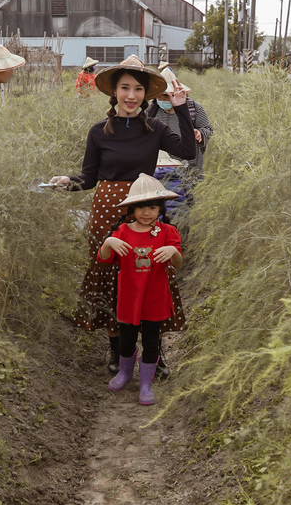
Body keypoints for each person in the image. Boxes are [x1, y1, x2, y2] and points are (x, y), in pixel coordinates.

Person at [49, 55, 195, 377]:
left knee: (152, 273)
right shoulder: (98, 132)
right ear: (113, 92)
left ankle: (153, 353)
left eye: (139, 89)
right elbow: (88, 178)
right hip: (107, 209)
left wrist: (181, 107)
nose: (132, 96)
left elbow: (187, 152)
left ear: (146, 94)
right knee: (113, 277)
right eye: (125, 88)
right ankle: (117, 349)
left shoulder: (155, 128)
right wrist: (66, 182)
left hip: (147, 205)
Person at [98, 174, 183, 405]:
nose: (147, 213)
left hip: (155, 297)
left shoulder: (167, 232)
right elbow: (104, 259)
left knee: (152, 340)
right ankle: (125, 373)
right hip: (128, 297)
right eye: (142, 208)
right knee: (126, 339)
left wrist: (172, 252)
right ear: (132, 209)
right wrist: (108, 243)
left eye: (153, 208)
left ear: (160, 208)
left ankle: (145, 383)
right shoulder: (122, 232)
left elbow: (178, 262)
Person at [148, 76, 213, 218]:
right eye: (158, 95)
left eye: (165, 95)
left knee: (186, 203)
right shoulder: (151, 110)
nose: (162, 99)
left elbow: (208, 128)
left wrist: (200, 133)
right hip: (159, 168)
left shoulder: (193, 108)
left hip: (189, 166)